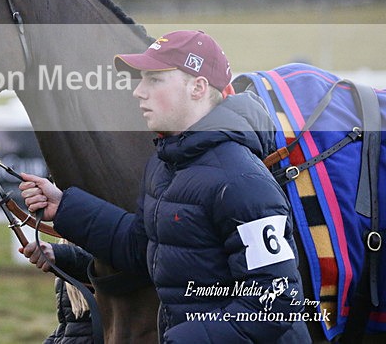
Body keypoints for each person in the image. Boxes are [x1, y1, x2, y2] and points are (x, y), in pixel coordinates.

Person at [19, 30, 311, 343]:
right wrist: (64, 209)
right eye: (141, 79)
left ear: (197, 88)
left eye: (154, 80)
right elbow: (143, 249)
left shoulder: (243, 181)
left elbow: (276, 303)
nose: (138, 92)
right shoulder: (163, 165)